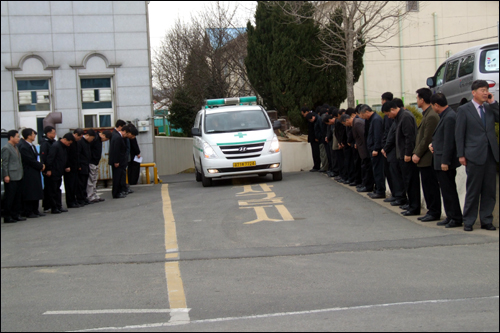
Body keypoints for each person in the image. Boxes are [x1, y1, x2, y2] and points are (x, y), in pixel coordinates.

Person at [455, 80, 499, 232]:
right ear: (474, 92)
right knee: (473, 190)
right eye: (482, 90)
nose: (485, 92)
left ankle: (486, 220)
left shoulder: (489, 108)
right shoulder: (464, 110)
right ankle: (469, 220)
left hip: (491, 154)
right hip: (473, 155)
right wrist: (461, 154)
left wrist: (493, 102)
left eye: (486, 90)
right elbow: (459, 133)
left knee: (489, 191)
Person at [430, 93, 462, 228]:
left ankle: (455, 217)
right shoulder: (445, 116)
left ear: (436, 105)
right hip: (439, 158)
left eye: (432, 106)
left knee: (449, 191)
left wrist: (445, 161)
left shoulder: (449, 117)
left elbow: (449, 142)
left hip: (445, 162)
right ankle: (450, 216)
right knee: (445, 190)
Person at [382, 100, 420, 216]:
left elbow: (409, 137)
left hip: (406, 156)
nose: (388, 117)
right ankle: (410, 204)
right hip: (401, 156)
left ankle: (414, 207)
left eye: (388, 114)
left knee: (411, 182)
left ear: (393, 109)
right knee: (406, 182)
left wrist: (408, 154)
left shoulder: (405, 117)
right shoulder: (399, 118)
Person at [412, 88, 441, 222]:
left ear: (422, 99)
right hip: (424, 158)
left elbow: (427, 138)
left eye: (417, 98)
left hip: (428, 158)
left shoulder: (431, 116)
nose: (416, 101)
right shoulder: (426, 114)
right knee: (427, 186)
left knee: (431, 186)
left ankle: (434, 211)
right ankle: (431, 210)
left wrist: (417, 153)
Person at [359, 105, 386, 199]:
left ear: (367, 111)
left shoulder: (376, 120)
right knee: (375, 170)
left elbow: (378, 135)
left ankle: (380, 191)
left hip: (376, 150)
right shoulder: (371, 120)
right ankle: (377, 189)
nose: (362, 118)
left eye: (362, 115)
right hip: (371, 148)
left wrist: (376, 148)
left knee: (378, 171)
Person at [18, 128, 45, 218]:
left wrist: (40, 165)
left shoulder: (32, 145)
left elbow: (35, 158)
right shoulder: (23, 146)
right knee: (30, 191)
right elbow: (29, 160)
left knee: (36, 190)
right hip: (28, 172)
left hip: (34, 171)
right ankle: (28, 211)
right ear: (28, 136)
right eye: (33, 134)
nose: (34, 136)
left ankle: (35, 210)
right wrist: (40, 166)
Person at [46, 133, 74, 214]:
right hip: (54, 171)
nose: (69, 145)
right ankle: (54, 207)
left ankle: (59, 206)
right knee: (53, 190)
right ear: (65, 140)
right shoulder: (55, 146)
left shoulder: (63, 147)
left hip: (59, 171)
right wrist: (49, 169)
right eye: (68, 143)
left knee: (58, 190)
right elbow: (50, 158)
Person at [2, 130, 26, 223]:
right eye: (17, 137)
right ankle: (7, 216)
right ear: (11, 137)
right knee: (10, 197)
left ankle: (16, 214)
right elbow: (5, 163)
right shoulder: (6, 148)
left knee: (17, 197)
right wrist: (6, 175)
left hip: (18, 175)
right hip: (11, 176)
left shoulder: (16, 147)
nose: (18, 139)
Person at [87, 130, 112, 203]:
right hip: (92, 161)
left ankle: (94, 194)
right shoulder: (95, 139)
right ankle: (90, 196)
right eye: (106, 139)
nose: (105, 141)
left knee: (94, 180)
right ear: (103, 135)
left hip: (95, 162)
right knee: (91, 180)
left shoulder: (98, 140)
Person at [64, 128, 83, 208]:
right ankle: (70, 201)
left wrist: (78, 165)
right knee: (70, 185)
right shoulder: (69, 140)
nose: (80, 139)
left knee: (75, 185)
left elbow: (77, 155)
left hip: (75, 166)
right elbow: (66, 155)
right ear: (75, 134)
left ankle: (74, 200)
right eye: (79, 137)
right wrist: (66, 165)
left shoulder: (76, 142)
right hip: (69, 167)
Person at [76, 129, 96, 206]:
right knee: (81, 183)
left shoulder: (87, 143)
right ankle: (80, 198)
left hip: (86, 165)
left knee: (85, 183)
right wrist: (79, 165)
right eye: (91, 138)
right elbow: (78, 154)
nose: (92, 140)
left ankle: (84, 198)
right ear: (87, 135)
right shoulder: (80, 142)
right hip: (82, 165)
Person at [109, 124, 128, 199]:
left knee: (119, 177)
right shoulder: (117, 137)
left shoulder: (117, 137)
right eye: (126, 134)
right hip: (117, 162)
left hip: (119, 161)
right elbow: (116, 150)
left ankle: (118, 192)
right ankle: (116, 193)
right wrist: (116, 161)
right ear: (124, 132)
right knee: (117, 178)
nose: (126, 136)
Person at [40, 126, 56, 212]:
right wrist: (47, 169)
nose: (55, 134)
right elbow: (44, 157)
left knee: (53, 187)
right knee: (49, 188)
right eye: (53, 133)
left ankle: (51, 204)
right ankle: (47, 205)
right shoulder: (45, 143)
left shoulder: (53, 142)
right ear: (48, 133)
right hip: (48, 169)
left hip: (54, 168)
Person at [301, 107, 321, 172]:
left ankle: (317, 165)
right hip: (312, 138)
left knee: (316, 152)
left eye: (303, 114)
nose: (303, 115)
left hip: (315, 138)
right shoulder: (310, 118)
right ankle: (315, 165)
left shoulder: (314, 117)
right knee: (314, 152)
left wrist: (316, 137)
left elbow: (315, 129)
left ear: (306, 112)